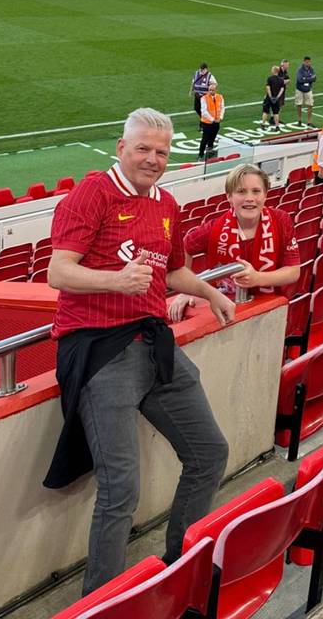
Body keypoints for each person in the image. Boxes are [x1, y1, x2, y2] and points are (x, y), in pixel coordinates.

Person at [43, 108, 234, 596]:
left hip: (153, 345)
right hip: (100, 349)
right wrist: (115, 280)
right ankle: (101, 601)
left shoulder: (166, 203)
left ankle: (177, 568)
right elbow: (59, 273)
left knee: (210, 452)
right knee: (121, 489)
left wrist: (212, 294)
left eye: (162, 152)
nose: (153, 159)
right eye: (143, 149)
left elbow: (172, 272)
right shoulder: (92, 193)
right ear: (121, 148)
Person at [169, 165, 301, 320]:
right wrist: (187, 290)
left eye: (256, 191)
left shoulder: (281, 220)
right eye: (241, 191)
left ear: (265, 194)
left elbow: (293, 271)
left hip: (270, 311)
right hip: (230, 310)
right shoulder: (213, 228)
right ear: (229, 197)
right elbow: (186, 247)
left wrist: (257, 278)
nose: (249, 198)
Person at [198, 80, 225, 159]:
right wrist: (212, 119)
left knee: (212, 139)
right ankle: (201, 154)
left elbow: (222, 107)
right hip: (207, 123)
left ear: (216, 90)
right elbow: (204, 111)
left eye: (212, 90)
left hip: (216, 122)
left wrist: (220, 117)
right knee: (205, 139)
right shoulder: (204, 98)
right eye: (209, 90)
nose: (211, 91)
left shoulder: (220, 97)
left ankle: (209, 154)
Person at [295, 56, 317, 126]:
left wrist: (305, 78)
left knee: (310, 105)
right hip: (300, 89)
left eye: (309, 62)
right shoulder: (300, 70)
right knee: (299, 105)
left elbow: (315, 78)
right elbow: (300, 80)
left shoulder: (311, 69)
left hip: (308, 89)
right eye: (307, 62)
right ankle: (299, 120)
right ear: (304, 62)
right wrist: (309, 78)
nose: (308, 63)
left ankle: (309, 122)